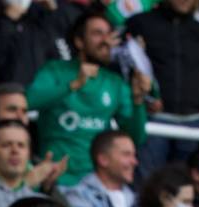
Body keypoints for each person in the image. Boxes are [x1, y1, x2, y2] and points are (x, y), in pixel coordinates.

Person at [28, 7, 150, 186]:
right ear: (79, 41)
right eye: (97, 34)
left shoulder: (115, 82)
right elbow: (28, 101)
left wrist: (138, 101)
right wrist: (72, 85)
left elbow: (135, 137)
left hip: (95, 184)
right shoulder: (55, 70)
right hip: (55, 179)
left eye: (109, 34)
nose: (106, 40)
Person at [125, 0, 199, 169]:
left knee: (183, 186)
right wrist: (142, 101)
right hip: (151, 121)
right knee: (146, 183)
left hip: (193, 124)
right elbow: (124, 68)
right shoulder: (139, 23)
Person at [64, 129, 138, 207]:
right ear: (103, 159)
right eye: (126, 154)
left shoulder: (135, 198)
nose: (135, 162)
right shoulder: (79, 194)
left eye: (134, 155)